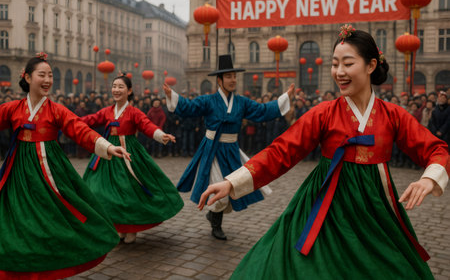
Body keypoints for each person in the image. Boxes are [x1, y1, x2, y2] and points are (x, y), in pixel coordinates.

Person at [198, 26, 449, 279]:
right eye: (334, 64)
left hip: (375, 205)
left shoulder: (393, 115)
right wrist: (231, 183)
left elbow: (436, 149)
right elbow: (281, 151)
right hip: (326, 201)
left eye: (348, 63)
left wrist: (429, 178)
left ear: (371, 65)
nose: (339, 72)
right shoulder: (324, 113)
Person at [0, 53, 131, 279]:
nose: (48, 79)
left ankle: (50, 262)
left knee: (51, 217)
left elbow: (79, 129)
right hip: (19, 171)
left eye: (50, 75)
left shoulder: (55, 109)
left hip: (50, 171)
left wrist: (108, 147)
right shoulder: (12, 108)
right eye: (42, 75)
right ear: (27, 78)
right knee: (18, 217)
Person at [163, 54, 294, 240]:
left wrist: (284, 98)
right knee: (219, 192)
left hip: (232, 150)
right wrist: (173, 96)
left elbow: (262, 111)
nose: (233, 80)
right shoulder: (208, 101)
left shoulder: (241, 102)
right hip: (212, 150)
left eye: (234, 76)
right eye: (229, 77)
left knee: (233, 188)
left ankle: (213, 216)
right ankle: (216, 225)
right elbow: (190, 107)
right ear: (219, 80)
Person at [81, 74, 183, 244]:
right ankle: (119, 226)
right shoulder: (106, 111)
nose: (116, 90)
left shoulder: (134, 112)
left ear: (129, 91)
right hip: (108, 152)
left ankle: (131, 227)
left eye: (120, 87)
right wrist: (66, 122)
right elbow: (88, 120)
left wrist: (161, 135)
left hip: (128, 154)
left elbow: (147, 125)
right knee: (102, 191)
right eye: (114, 86)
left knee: (128, 192)